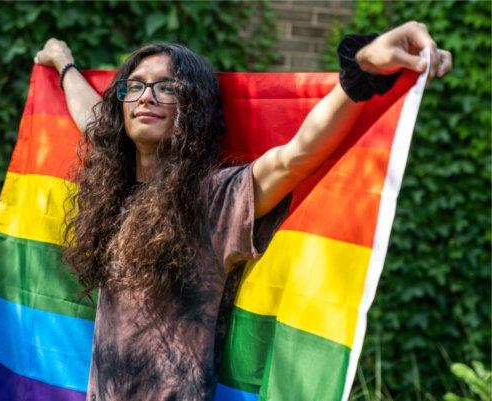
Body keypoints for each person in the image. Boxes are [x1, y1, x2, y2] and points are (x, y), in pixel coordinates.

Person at [34, 21, 451, 401]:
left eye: (167, 87)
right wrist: (64, 62)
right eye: (136, 86)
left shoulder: (213, 199)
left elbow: (296, 157)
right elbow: (92, 118)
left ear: (192, 107)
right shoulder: (118, 188)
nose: (147, 97)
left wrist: (362, 69)